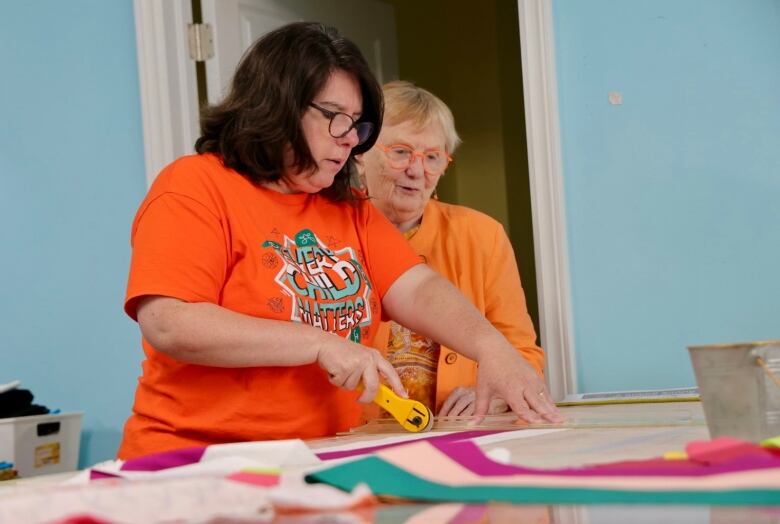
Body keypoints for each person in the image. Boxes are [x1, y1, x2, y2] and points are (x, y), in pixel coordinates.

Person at [119, 23, 560, 460]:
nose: (351, 139)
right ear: (277, 106)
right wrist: (319, 342)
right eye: (336, 119)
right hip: (196, 461)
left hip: (320, 460)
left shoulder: (347, 206)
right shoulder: (194, 185)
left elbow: (419, 288)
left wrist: (492, 349)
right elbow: (170, 322)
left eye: (358, 125)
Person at [358, 81, 547, 418]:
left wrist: (493, 395)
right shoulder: (325, 233)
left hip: (455, 432)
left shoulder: (482, 235)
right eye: (400, 152)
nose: (417, 171)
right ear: (359, 155)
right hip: (355, 435)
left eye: (432, 157)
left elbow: (522, 354)